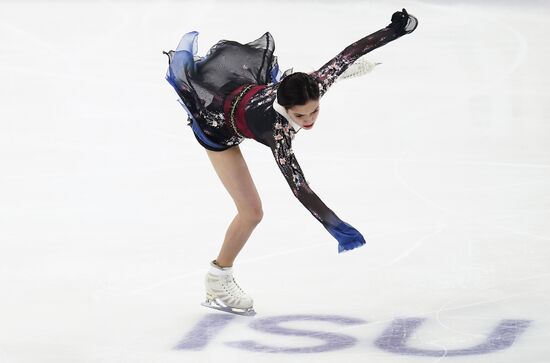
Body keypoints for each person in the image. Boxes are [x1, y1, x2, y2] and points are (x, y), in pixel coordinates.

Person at [163, 9, 418, 315]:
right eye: (300, 115)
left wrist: (397, 28)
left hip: (246, 91)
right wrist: (336, 226)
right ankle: (218, 278)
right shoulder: (278, 132)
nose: (308, 121)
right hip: (218, 125)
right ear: (285, 107)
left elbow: (350, 52)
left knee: (334, 69)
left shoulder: (314, 86)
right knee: (252, 212)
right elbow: (299, 187)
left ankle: (308, 74)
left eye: (314, 111)